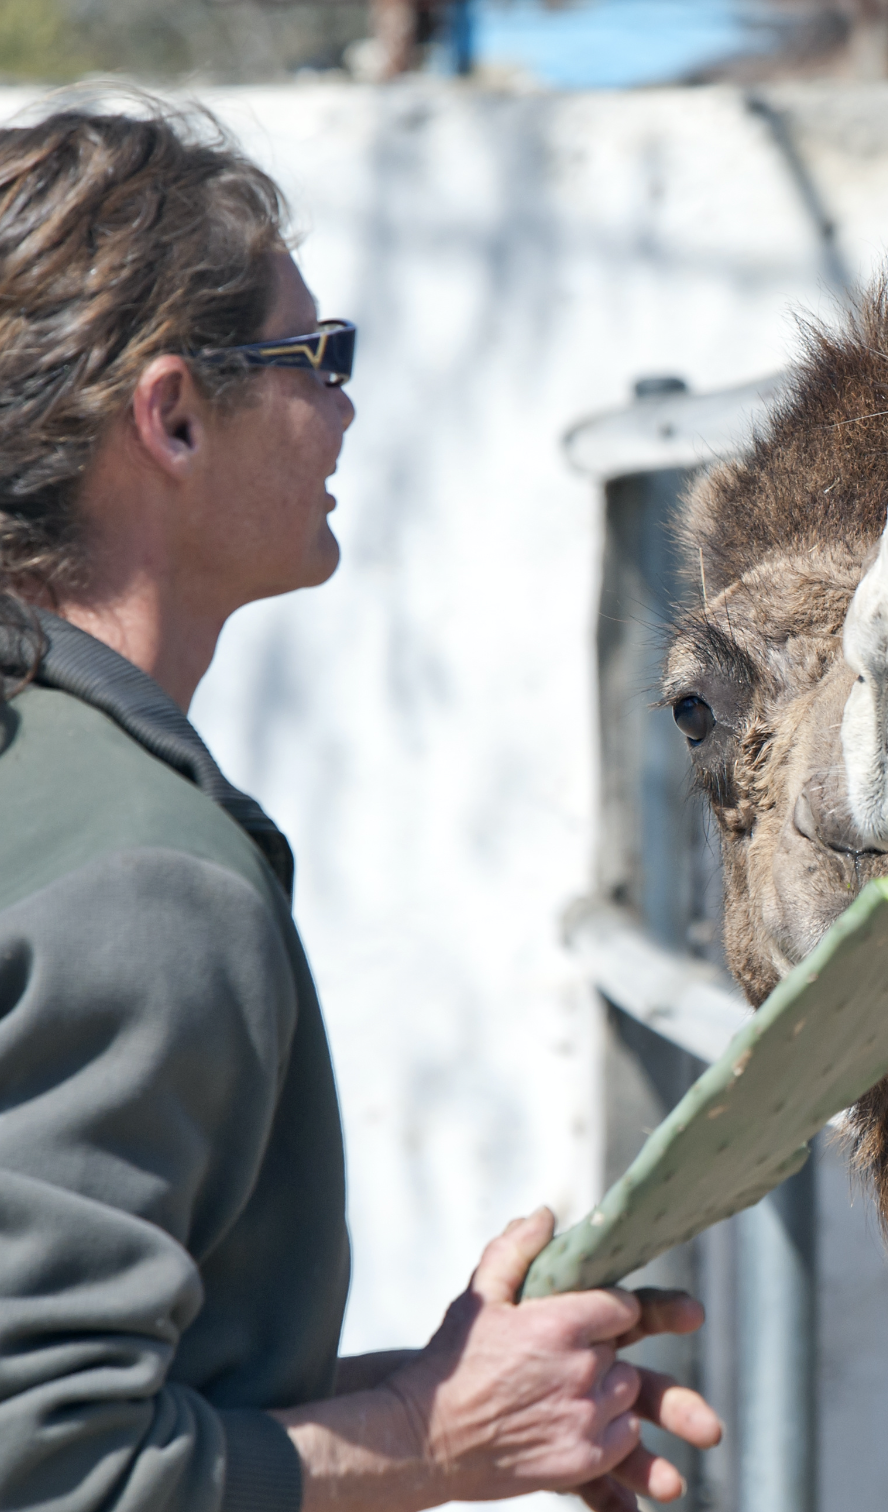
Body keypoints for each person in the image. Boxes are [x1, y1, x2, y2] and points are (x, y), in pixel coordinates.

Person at [0, 99, 721, 1512]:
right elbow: (52, 1470)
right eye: (312, 358)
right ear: (175, 415)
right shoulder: (144, 884)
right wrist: (438, 1440)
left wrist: (463, 1398)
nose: (339, 406)